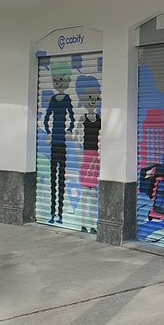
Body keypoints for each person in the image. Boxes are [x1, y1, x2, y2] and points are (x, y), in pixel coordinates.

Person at [43, 62, 75, 224]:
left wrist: (69, 130)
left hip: (62, 143)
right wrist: (48, 133)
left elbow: (72, 118)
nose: (58, 82)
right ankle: (52, 213)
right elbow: (46, 118)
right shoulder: (53, 100)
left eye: (61, 79)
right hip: (54, 143)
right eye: (55, 80)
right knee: (53, 179)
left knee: (61, 178)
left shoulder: (67, 99)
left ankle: (61, 214)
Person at [75, 75, 101, 233]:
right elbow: (76, 134)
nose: (93, 101)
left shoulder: (99, 118)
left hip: (95, 157)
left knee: (94, 194)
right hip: (86, 156)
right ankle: (84, 224)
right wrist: (79, 154)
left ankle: (93, 225)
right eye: (90, 97)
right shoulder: (82, 117)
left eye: (96, 98)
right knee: (85, 194)